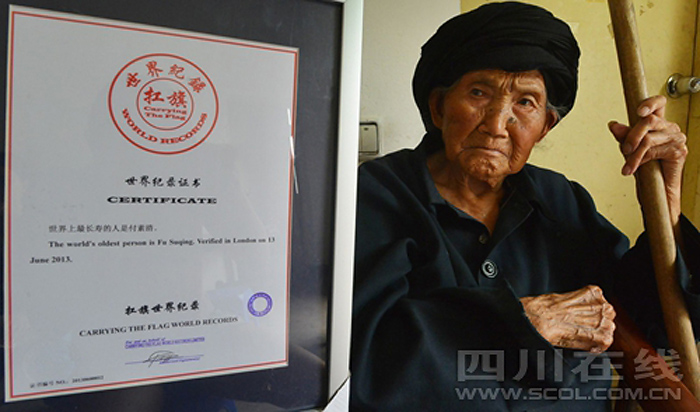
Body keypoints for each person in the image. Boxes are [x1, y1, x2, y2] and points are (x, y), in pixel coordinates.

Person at [350, 2, 700, 411]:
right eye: (479, 92)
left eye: (526, 103)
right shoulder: (373, 199)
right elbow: (361, 362)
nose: (497, 124)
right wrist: (521, 322)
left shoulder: (560, 200)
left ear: (545, 126)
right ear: (439, 108)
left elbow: (652, 319)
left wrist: (666, 203)